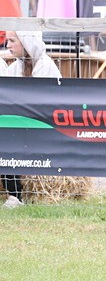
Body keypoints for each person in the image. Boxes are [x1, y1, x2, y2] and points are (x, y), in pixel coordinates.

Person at [2, 31, 62, 207]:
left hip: (44, 126)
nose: (8, 45)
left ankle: (16, 196)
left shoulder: (45, 66)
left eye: (12, 40)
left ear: (26, 42)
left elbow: (39, 105)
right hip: (21, 123)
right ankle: (14, 195)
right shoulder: (14, 68)